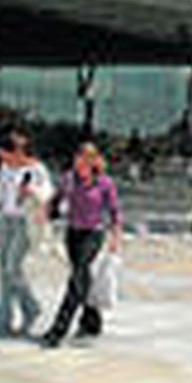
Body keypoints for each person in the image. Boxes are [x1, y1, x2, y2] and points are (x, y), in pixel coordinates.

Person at [41, 142, 124, 348]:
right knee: (82, 279)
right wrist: (46, 210)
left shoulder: (105, 183)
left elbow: (115, 212)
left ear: (93, 161)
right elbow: (55, 200)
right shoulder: (69, 179)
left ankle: (58, 330)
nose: (79, 163)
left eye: (85, 159)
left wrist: (116, 237)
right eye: (77, 158)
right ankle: (91, 321)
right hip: (73, 234)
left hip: (94, 234)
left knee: (77, 277)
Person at [0, 129, 51, 336]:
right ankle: (3, 318)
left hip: (25, 223)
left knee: (13, 267)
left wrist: (33, 191)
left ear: (18, 152)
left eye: (7, 156)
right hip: (6, 221)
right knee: (3, 270)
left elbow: (47, 194)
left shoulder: (37, 169)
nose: (4, 161)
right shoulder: (6, 169)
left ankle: (31, 308)